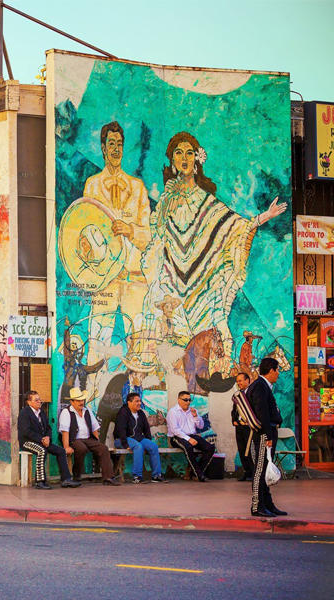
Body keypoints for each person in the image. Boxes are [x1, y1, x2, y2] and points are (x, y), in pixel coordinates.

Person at [140, 131, 287, 373]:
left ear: (197, 160)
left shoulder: (205, 200)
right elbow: (157, 235)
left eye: (189, 152)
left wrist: (262, 218)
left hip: (204, 286)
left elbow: (233, 227)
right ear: (172, 160)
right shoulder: (166, 198)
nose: (184, 158)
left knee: (216, 339)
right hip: (171, 283)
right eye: (179, 153)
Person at [82, 121, 150, 363]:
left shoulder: (137, 187)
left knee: (139, 346)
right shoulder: (92, 185)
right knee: (97, 344)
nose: (116, 149)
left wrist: (130, 230)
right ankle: (90, 395)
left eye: (119, 144)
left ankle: (137, 397)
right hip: (105, 280)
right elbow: (85, 228)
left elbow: (148, 235)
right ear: (103, 148)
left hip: (134, 279)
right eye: (111, 144)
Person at [246, 358, 286, 517]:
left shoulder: (262, 386)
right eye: (277, 370)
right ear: (271, 370)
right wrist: (268, 435)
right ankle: (257, 506)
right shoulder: (260, 387)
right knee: (260, 471)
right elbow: (262, 412)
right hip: (264, 434)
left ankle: (268, 504)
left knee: (264, 469)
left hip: (266, 433)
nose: (278, 373)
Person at [18, 390, 81, 489]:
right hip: (27, 442)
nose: (39, 402)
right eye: (36, 400)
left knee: (60, 451)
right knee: (41, 451)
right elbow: (26, 431)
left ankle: (66, 479)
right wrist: (41, 439)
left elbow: (48, 428)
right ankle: (40, 482)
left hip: (43, 441)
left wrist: (48, 437)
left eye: (39, 400)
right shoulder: (24, 413)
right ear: (29, 402)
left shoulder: (42, 412)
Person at [58, 387, 119, 485]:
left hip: (88, 439)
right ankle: (76, 475)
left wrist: (97, 443)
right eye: (78, 400)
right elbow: (65, 431)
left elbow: (95, 428)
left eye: (82, 400)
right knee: (81, 449)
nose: (81, 402)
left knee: (103, 448)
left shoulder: (87, 411)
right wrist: (66, 447)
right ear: (72, 402)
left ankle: (108, 477)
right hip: (74, 439)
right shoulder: (66, 412)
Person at [166, 391, 216, 481]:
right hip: (177, 437)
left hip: (192, 436)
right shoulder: (173, 412)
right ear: (179, 400)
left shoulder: (193, 410)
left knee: (210, 448)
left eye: (189, 400)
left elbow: (200, 426)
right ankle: (199, 475)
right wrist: (188, 439)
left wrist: (196, 416)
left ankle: (195, 472)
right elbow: (175, 430)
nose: (188, 402)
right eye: (185, 400)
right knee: (188, 447)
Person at [114, 392, 163, 483]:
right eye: (136, 401)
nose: (139, 403)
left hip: (138, 438)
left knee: (153, 446)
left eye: (140, 401)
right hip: (121, 439)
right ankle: (137, 477)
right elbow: (121, 430)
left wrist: (148, 441)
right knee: (138, 447)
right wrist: (125, 444)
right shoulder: (123, 413)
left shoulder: (140, 413)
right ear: (129, 402)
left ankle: (156, 475)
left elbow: (146, 429)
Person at [231, 372, 255, 481]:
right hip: (239, 427)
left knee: (249, 450)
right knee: (241, 450)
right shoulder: (237, 395)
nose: (238, 383)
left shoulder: (253, 393)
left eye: (240, 380)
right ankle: (246, 472)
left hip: (249, 427)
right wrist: (234, 420)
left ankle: (253, 473)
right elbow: (234, 410)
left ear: (247, 380)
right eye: (237, 381)